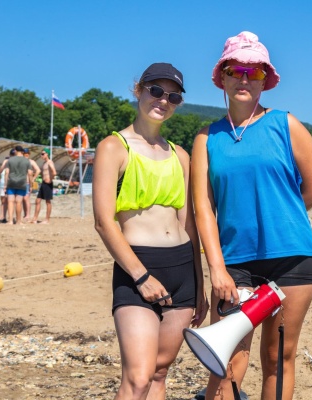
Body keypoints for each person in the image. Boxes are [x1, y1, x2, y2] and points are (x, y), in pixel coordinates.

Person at [191, 31, 312, 400]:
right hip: (234, 264)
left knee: (278, 357)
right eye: (235, 70)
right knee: (227, 361)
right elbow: (203, 208)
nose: (245, 79)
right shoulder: (206, 138)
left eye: (255, 72)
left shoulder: (286, 125)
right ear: (222, 78)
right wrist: (217, 269)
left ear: (266, 80)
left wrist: (279, 218)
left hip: (291, 258)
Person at [93, 63, 208, 400]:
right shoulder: (113, 147)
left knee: (159, 373)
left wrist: (199, 284)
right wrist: (141, 277)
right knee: (138, 378)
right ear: (138, 90)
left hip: (182, 272)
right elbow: (103, 221)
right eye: (156, 91)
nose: (163, 100)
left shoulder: (180, 155)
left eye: (173, 96)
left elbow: (189, 224)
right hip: (138, 269)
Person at [4, 145, 33, 225]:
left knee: (10, 201)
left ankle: (10, 221)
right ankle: (18, 221)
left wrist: (5, 185)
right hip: (22, 183)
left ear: (15, 151)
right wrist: (31, 185)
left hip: (11, 182)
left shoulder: (10, 160)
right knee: (19, 202)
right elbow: (30, 173)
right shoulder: (27, 161)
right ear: (22, 151)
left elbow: (6, 172)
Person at [31, 148, 56, 224]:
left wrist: (50, 179)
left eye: (43, 154)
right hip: (43, 183)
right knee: (38, 200)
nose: (41, 155)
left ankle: (47, 219)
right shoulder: (44, 163)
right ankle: (35, 218)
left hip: (48, 184)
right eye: (41, 154)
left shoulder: (49, 162)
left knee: (48, 201)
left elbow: (54, 172)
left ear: (47, 154)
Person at [0, 149, 16, 223]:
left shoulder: (15, 162)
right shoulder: (7, 161)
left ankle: (8, 217)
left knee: (9, 200)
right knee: (4, 200)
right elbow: (1, 171)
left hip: (10, 182)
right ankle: (3, 216)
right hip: (5, 181)